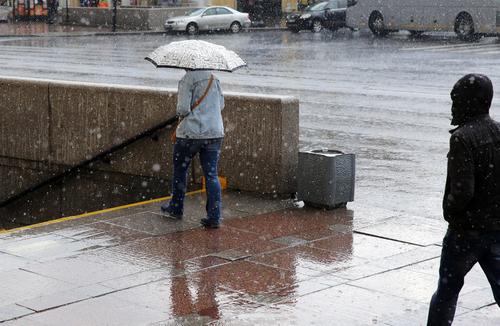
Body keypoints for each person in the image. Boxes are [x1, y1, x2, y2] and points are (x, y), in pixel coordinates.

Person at [427, 74, 500, 325]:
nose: (453, 107)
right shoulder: (498, 131)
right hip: (496, 228)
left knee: (447, 292)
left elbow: (462, 191)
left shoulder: (462, 138)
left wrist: (450, 212)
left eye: (456, 100)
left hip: (465, 232)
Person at [160, 69, 225, 229]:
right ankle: (214, 216)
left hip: (190, 134)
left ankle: (176, 207)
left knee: (181, 170)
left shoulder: (187, 79)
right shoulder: (214, 79)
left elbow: (183, 109)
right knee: (211, 174)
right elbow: (221, 105)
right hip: (214, 132)